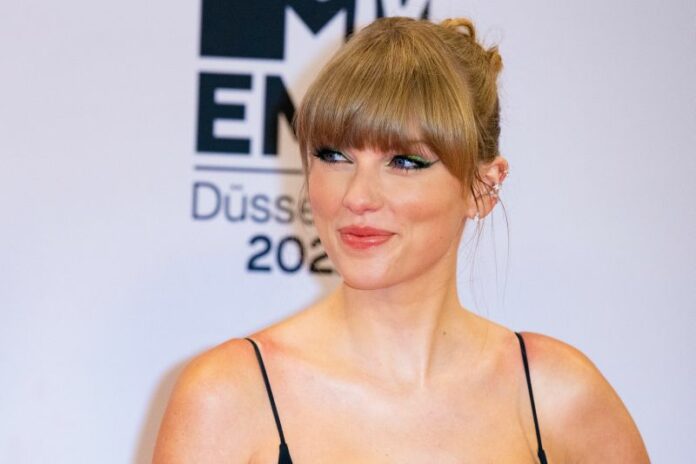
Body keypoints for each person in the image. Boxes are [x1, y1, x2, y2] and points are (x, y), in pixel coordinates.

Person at [153, 17, 649, 463]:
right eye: (334, 156)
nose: (357, 196)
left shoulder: (559, 396)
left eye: (404, 162)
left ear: (483, 187)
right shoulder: (227, 396)